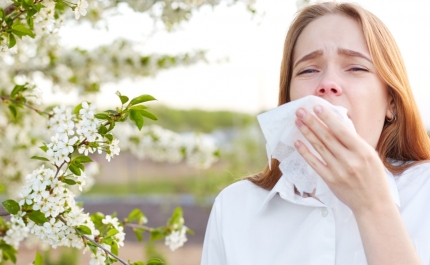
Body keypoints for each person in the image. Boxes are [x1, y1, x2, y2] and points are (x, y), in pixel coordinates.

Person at [200, 2, 430, 265]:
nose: (327, 84)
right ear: (288, 100)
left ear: (391, 102)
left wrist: (373, 207)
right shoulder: (234, 208)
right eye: (309, 69)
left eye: (356, 68)